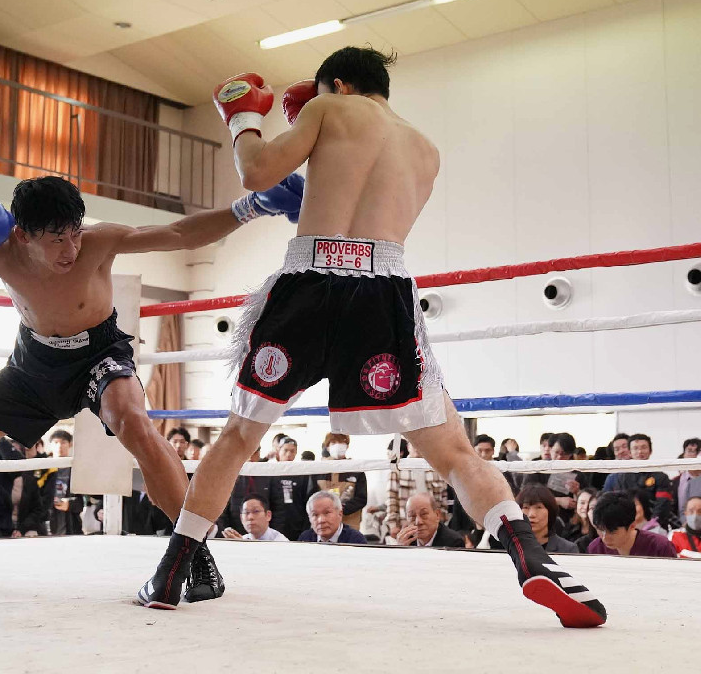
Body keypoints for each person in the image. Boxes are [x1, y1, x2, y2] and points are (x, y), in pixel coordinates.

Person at [138, 47, 606, 627]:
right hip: (382, 291)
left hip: (308, 283)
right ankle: (532, 558)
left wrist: (244, 119)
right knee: (454, 452)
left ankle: (171, 571)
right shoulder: (426, 149)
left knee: (237, 437)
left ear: (337, 84)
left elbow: (256, 171)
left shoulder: (331, 109)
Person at [0, 175, 301, 593]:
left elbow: (179, 234)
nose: (70, 248)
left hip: (99, 356)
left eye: (74, 233)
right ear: (23, 235)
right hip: (31, 368)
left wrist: (251, 206)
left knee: (135, 425)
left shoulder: (98, 241)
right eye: (56, 239)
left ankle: (194, 551)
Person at [601, 434, 675, 529]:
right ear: (630, 452)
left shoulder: (661, 477)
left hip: (654, 527)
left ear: (650, 450)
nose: (640, 452)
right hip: (626, 527)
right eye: (635, 448)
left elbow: (663, 504)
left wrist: (652, 525)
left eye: (644, 447)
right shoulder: (621, 477)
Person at [588, 491, 676, 558]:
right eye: (601, 530)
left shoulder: (660, 547)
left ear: (632, 526)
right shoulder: (595, 549)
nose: (605, 538)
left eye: (612, 532)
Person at [308, 433, 367, 530]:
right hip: (323, 523)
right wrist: (325, 510)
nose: (338, 445)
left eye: (341, 442)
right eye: (333, 443)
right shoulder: (318, 469)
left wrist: (340, 509)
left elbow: (361, 498)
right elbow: (311, 496)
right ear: (327, 447)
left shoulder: (356, 470)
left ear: (347, 446)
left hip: (349, 524)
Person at [395, 492, 465, 548]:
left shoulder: (454, 542)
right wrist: (401, 550)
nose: (418, 522)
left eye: (424, 514)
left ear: (437, 515)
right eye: (412, 516)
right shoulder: (405, 541)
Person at [298, 491, 368, 544]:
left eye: (327, 513)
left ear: (340, 514)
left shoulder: (356, 540)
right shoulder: (305, 539)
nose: (321, 520)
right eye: (315, 515)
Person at [222, 495, 288, 541]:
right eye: (246, 512)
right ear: (241, 518)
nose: (250, 517)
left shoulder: (280, 541)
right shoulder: (243, 539)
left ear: (268, 515)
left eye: (256, 511)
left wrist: (243, 547)